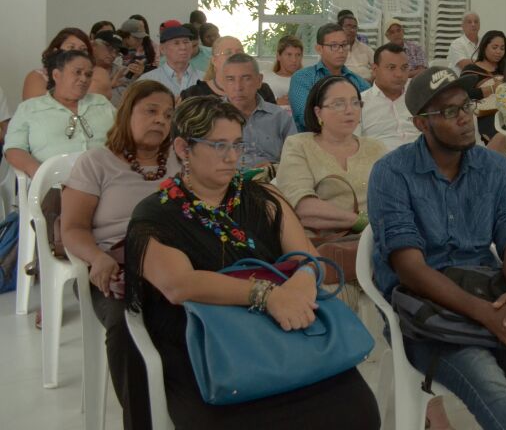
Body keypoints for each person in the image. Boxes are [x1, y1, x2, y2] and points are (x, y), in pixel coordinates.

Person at [124, 96, 380, 430]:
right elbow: (179, 285)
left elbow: (310, 259)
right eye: (218, 146)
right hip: (207, 343)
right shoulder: (157, 214)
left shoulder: (263, 199)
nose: (232, 157)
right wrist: (268, 295)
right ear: (184, 148)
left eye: (237, 144)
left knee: (357, 411)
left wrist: (301, 285)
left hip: (283, 329)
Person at [368, 68, 506, 430]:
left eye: (466, 106)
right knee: (496, 395)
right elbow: (410, 267)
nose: (464, 118)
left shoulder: (496, 168)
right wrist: (485, 314)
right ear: (421, 124)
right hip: (432, 312)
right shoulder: (392, 174)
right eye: (448, 112)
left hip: (493, 292)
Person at [61, 82, 181, 430]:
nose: (161, 120)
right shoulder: (96, 162)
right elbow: (73, 229)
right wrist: (97, 258)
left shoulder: (179, 161)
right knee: (125, 321)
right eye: (151, 111)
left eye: (168, 114)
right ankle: (140, 422)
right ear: (127, 112)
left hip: (169, 264)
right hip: (112, 266)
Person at [279, 77, 384, 264]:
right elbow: (303, 208)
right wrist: (360, 221)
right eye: (338, 104)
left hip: (375, 245)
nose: (349, 110)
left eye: (355, 103)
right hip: (320, 250)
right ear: (318, 112)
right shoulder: (299, 145)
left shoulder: (376, 148)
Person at [5, 50, 116, 178]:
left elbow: (125, 135)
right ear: (57, 75)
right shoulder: (29, 108)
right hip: (55, 184)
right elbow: (14, 149)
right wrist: (41, 174)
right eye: (77, 72)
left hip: (106, 180)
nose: (84, 79)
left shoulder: (101, 103)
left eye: (89, 74)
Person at [288, 23, 371, 131]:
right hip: (313, 142)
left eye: (344, 45)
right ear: (319, 49)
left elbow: (371, 114)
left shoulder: (357, 81)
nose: (341, 50)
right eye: (334, 46)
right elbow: (306, 118)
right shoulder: (303, 78)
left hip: (352, 140)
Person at [220, 54, 294, 169]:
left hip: (273, 180)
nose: (238, 87)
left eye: (246, 78)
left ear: (259, 81)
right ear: (222, 83)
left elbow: (296, 158)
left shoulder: (279, 117)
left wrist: (274, 169)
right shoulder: (211, 117)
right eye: (231, 79)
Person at [360, 44, 421, 151]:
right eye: (391, 68)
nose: (399, 74)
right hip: (381, 162)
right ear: (375, 69)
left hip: (422, 159)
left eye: (404, 68)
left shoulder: (418, 97)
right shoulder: (360, 103)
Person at [181, 36, 276, 104]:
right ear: (214, 60)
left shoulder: (261, 90)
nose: (235, 56)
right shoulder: (194, 95)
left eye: (239, 52)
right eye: (228, 52)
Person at [460, 30, 506, 148]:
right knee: (502, 136)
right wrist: (492, 88)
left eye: (502, 48)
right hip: (484, 115)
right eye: (495, 47)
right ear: (484, 47)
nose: (498, 52)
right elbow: (463, 95)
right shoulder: (471, 69)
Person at [23, 26, 92, 100]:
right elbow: (34, 107)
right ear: (56, 50)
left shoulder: (91, 76)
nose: (77, 52)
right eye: (71, 47)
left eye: (83, 49)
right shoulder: (38, 76)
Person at [137, 24, 202, 97]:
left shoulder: (204, 78)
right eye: (176, 43)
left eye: (186, 42)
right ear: (162, 49)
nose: (183, 47)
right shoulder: (148, 80)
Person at [91, 30, 139, 105]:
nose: (113, 55)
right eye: (110, 49)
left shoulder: (124, 72)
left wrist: (138, 77)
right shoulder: (82, 71)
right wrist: (109, 85)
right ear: (93, 46)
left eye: (117, 52)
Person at [264, 35, 304, 105]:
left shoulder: (308, 80)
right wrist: (276, 103)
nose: (294, 60)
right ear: (278, 56)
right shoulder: (265, 78)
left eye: (298, 55)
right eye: (289, 55)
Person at [338, 11, 375, 82]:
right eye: (348, 26)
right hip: (344, 85)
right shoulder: (335, 49)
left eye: (354, 27)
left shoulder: (365, 48)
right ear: (340, 28)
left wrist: (371, 79)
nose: (352, 30)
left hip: (367, 85)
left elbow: (378, 67)